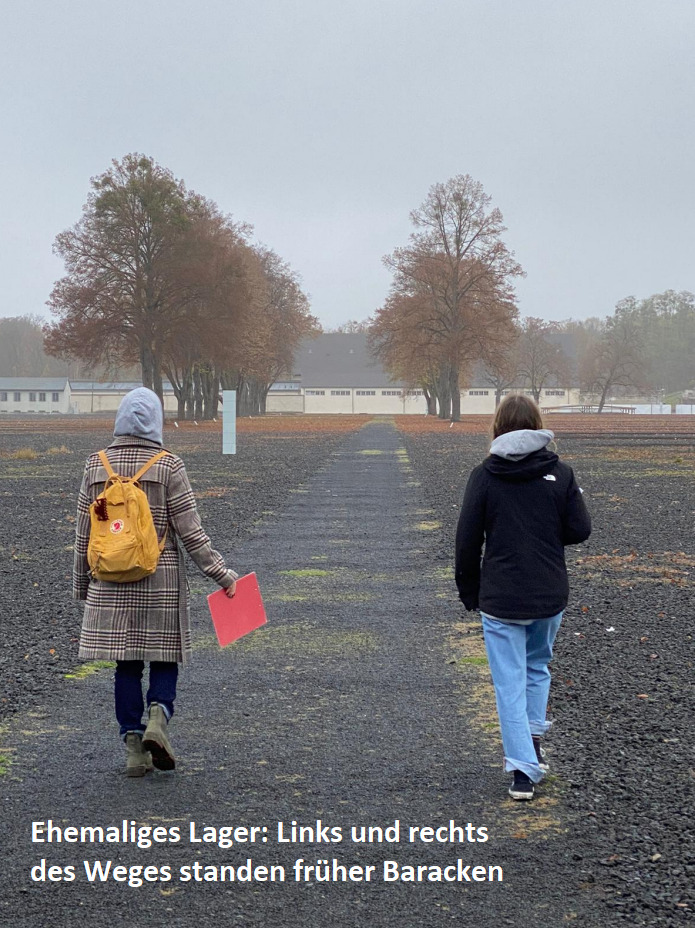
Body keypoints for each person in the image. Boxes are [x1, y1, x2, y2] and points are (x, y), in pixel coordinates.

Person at [73, 387, 238, 776]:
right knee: (165, 657)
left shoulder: (95, 466)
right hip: (159, 579)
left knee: (126, 666)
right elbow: (191, 533)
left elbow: (83, 535)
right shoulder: (168, 466)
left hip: (110, 582)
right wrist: (222, 574)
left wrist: (83, 585)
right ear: (156, 422)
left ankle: (133, 750)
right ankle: (158, 720)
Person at [455, 394, 591, 800]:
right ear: (537, 424)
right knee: (537, 668)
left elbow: (467, 541)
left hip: (500, 597)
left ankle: (522, 772)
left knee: (508, 682)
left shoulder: (483, 476)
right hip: (549, 593)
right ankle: (530, 747)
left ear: (497, 426)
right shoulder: (562, 473)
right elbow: (579, 529)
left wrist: (469, 590)